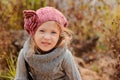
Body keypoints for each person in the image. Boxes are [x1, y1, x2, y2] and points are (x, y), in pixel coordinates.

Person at [14, 6, 82, 80]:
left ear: (59, 36)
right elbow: (20, 77)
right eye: (42, 31)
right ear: (33, 33)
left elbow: (76, 78)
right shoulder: (25, 54)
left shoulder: (64, 56)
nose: (47, 37)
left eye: (53, 32)